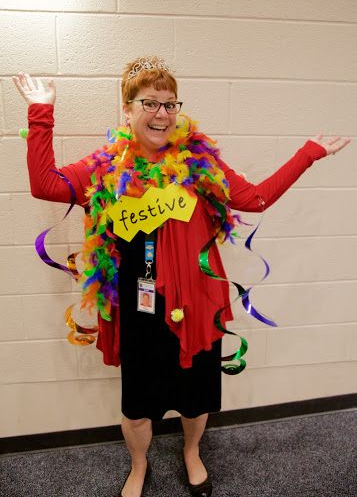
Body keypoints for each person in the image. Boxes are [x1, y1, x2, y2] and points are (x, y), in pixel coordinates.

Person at [12, 58, 350, 497]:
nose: (162, 113)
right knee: (137, 405)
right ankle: (138, 466)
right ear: (127, 110)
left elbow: (257, 198)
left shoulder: (198, 164)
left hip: (196, 303)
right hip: (137, 305)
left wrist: (308, 153)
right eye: (149, 102)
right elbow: (44, 184)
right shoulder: (104, 166)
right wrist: (41, 112)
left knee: (196, 395)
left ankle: (192, 453)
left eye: (170, 103)